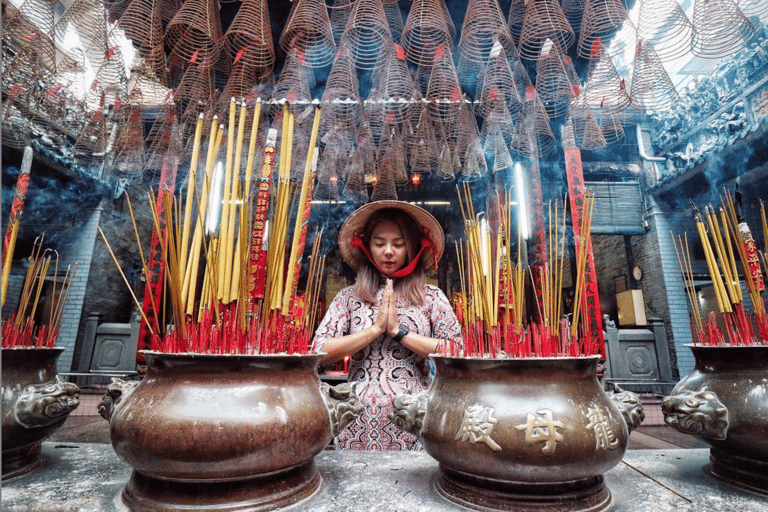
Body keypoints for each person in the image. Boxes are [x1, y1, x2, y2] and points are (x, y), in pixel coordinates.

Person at [313, 200, 463, 450]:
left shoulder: (431, 297)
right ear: (367, 247)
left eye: (399, 244)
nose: (389, 251)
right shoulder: (348, 297)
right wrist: (373, 331)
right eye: (379, 243)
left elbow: (457, 351)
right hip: (356, 422)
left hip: (412, 420)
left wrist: (398, 332)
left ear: (412, 248)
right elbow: (319, 352)